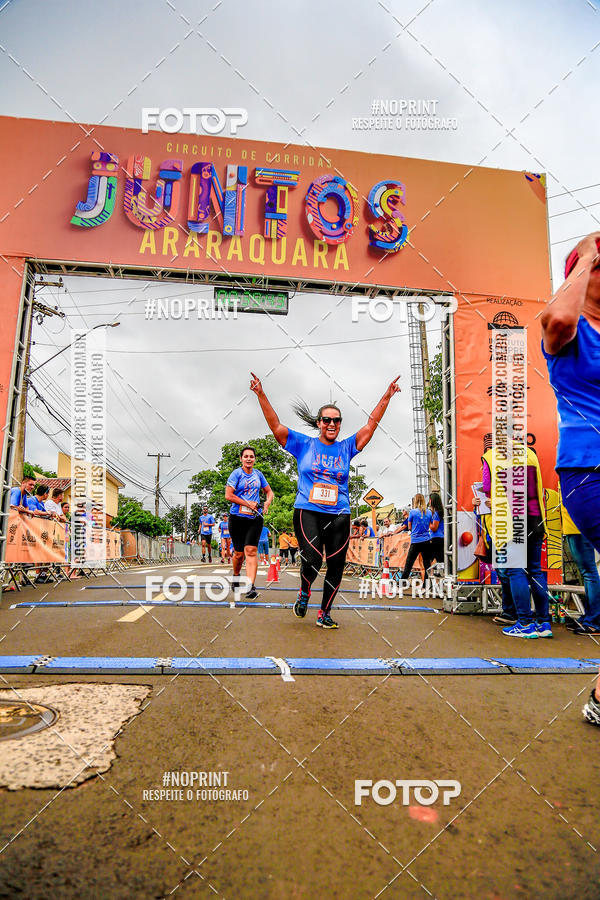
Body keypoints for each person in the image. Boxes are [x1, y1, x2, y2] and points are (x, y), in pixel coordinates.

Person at [251, 370, 401, 628]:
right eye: (327, 420)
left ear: (340, 424)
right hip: (308, 510)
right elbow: (276, 426)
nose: (332, 424)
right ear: (319, 423)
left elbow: (371, 425)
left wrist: (387, 396)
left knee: (336, 564)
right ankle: (304, 592)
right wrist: (261, 394)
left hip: (339, 513)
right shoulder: (303, 444)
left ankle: (324, 613)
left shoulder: (346, 447)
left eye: (336, 420)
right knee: (312, 559)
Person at [476, 441, 551, 639]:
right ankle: (543, 622)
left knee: (516, 571)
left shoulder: (491, 456)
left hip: (512, 524)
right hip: (535, 519)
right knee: (535, 571)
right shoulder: (530, 454)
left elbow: (486, 486)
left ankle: (524, 623)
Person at [225, 446, 274, 600]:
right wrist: (247, 503)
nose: (248, 459)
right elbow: (229, 495)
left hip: (255, 518)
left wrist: (267, 502)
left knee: (251, 550)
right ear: (241, 459)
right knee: (239, 554)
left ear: (254, 459)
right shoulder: (236, 474)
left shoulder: (258, 474)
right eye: (245, 456)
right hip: (237, 518)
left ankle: (250, 586)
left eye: (251, 456)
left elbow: (269, 491)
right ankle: (236, 575)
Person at [401, 494, 432, 581]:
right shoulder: (429, 512)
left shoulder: (413, 512)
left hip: (416, 540)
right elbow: (430, 524)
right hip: (426, 539)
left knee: (409, 563)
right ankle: (427, 583)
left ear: (415, 501)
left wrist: (413, 529)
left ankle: (402, 581)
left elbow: (409, 526)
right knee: (427, 564)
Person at [428, 492, 444, 565]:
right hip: (439, 538)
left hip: (436, 539)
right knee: (438, 559)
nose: (429, 501)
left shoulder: (436, 513)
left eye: (430, 500)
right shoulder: (438, 512)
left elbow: (434, 528)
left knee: (437, 559)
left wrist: (428, 522)